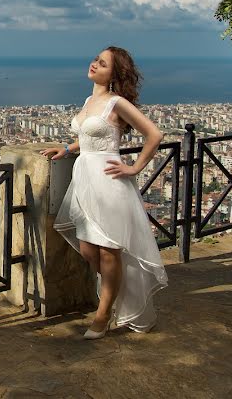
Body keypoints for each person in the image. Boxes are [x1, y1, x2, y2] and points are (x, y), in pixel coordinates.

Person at [40, 47, 168, 339]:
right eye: (96, 59)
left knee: (109, 252)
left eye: (103, 63)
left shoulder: (116, 102)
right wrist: (68, 148)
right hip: (84, 179)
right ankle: (118, 292)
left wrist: (134, 168)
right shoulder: (89, 100)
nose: (95, 64)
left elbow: (155, 134)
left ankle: (104, 312)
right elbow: (88, 136)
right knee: (88, 248)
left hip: (109, 181)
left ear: (115, 74)